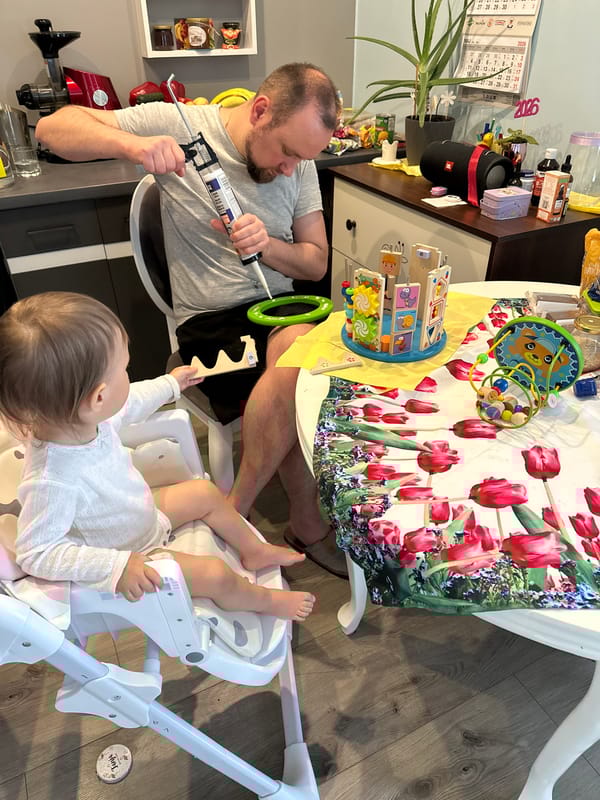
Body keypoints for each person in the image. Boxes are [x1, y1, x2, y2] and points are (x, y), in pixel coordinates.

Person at [36, 62, 347, 577]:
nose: (291, 169)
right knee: (300, 367)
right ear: (261, 111)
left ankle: (237, 509)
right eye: (287, 152)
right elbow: (53, 129)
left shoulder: (300, 163)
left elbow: (315, 263)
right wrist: (135, 147)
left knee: (298, 350)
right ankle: (292, 521)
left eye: (303, 159)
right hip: (210, 320)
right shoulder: (180, 123)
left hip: (280, 310)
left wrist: (268, 246)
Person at [0, 292, 315, 621]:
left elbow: (132, 400)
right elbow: (36, 553)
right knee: (215, 575)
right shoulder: (52, 479)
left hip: (141, 517)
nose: (128, 375)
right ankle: (263, 600)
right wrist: (116, 566)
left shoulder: (84, 419)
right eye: (124, 369)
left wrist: (171, 383)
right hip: (131, 553)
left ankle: (254, 551)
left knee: (204, 493)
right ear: (99, 398)